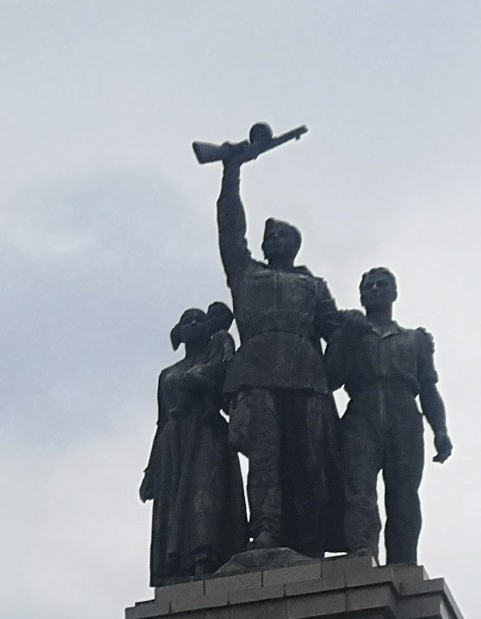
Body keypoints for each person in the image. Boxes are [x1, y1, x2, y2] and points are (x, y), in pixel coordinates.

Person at [211, 135, 343, 554]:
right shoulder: (245, 273)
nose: (273, 241)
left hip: (306, 376)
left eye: (282, 235)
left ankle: (309, 537)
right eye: (270, 237)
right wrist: (231, 170)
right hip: (256, 373)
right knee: (264, 459)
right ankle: (266, 529)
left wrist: (341, 361)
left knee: (309, 461)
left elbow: (336, 331)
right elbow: (230, 227)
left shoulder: (312, 284)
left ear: (294, 244)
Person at [329, 267, 451, 565]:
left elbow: (428, 388)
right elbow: (330, 378)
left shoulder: (415, 339)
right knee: (359, 489)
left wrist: (440, 430)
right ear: (361, 296)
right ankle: (362, 550)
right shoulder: (350, 332)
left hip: (405, 414)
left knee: (404, 494)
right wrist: (346, 337)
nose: (374, 290)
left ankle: (403, 562)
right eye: (368, 286)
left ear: (394, 293)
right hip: (361, 413)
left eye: (381, 285)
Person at [140, 302, 243, 584]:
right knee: (175, 503)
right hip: (173, 442)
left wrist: (201, 382)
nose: (194, 324)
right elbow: (161, 422)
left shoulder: (216, 357)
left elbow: (229, 393)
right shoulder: (167, 374)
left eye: (199, 320)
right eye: (188, 321)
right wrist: (151, 470)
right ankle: (175, 566)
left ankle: (205, 558)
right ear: (179, 332)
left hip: (206, 433)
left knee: (205, 492)